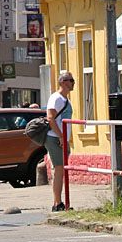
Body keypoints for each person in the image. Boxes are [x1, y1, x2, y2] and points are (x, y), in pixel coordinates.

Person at [47, 71, 74, 212]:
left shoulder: (65, 100)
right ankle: (57, 203)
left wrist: (66, 138)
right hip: (54, 138)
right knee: (58, 169)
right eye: (70, 80)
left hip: (61, 139)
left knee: (60, 170)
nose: (73, 83)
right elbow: (50, 118)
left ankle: (58, 201)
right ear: (63, 82)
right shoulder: (56, 98)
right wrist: (61, 137)